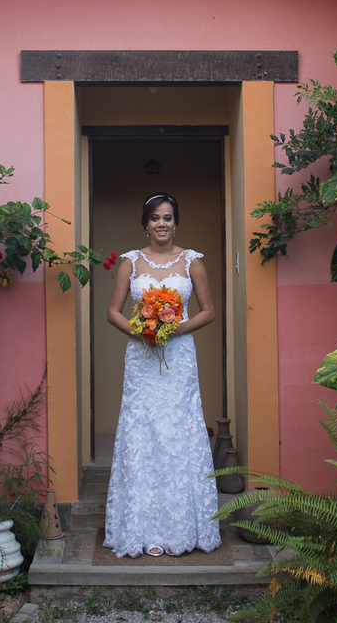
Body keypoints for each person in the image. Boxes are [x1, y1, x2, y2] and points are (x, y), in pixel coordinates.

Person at [102, 192, 221, 558]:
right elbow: (113, 312)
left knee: (178, 430)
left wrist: (173, 330)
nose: (162, 224)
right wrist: (143, 333)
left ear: (176, 222)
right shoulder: (130, 262)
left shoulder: (192, 261)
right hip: (141, 358)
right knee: (144, 432)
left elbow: (208, 311)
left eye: (168, 217)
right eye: (155, 218)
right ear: (146, 223)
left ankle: (185, 527)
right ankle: (143, 529)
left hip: (179, 357)